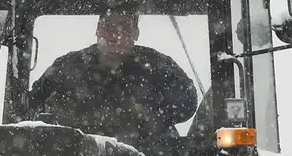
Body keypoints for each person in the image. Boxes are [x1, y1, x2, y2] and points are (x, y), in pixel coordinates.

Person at [26, 10, 199, 139]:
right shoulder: (67, 67)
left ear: (136, 33)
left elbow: (187, 101)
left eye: (125, 28)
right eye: (108, 27)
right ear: (97, 30)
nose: (116, 35)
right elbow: (31, 104)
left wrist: (149, 113)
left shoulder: (158, 66)